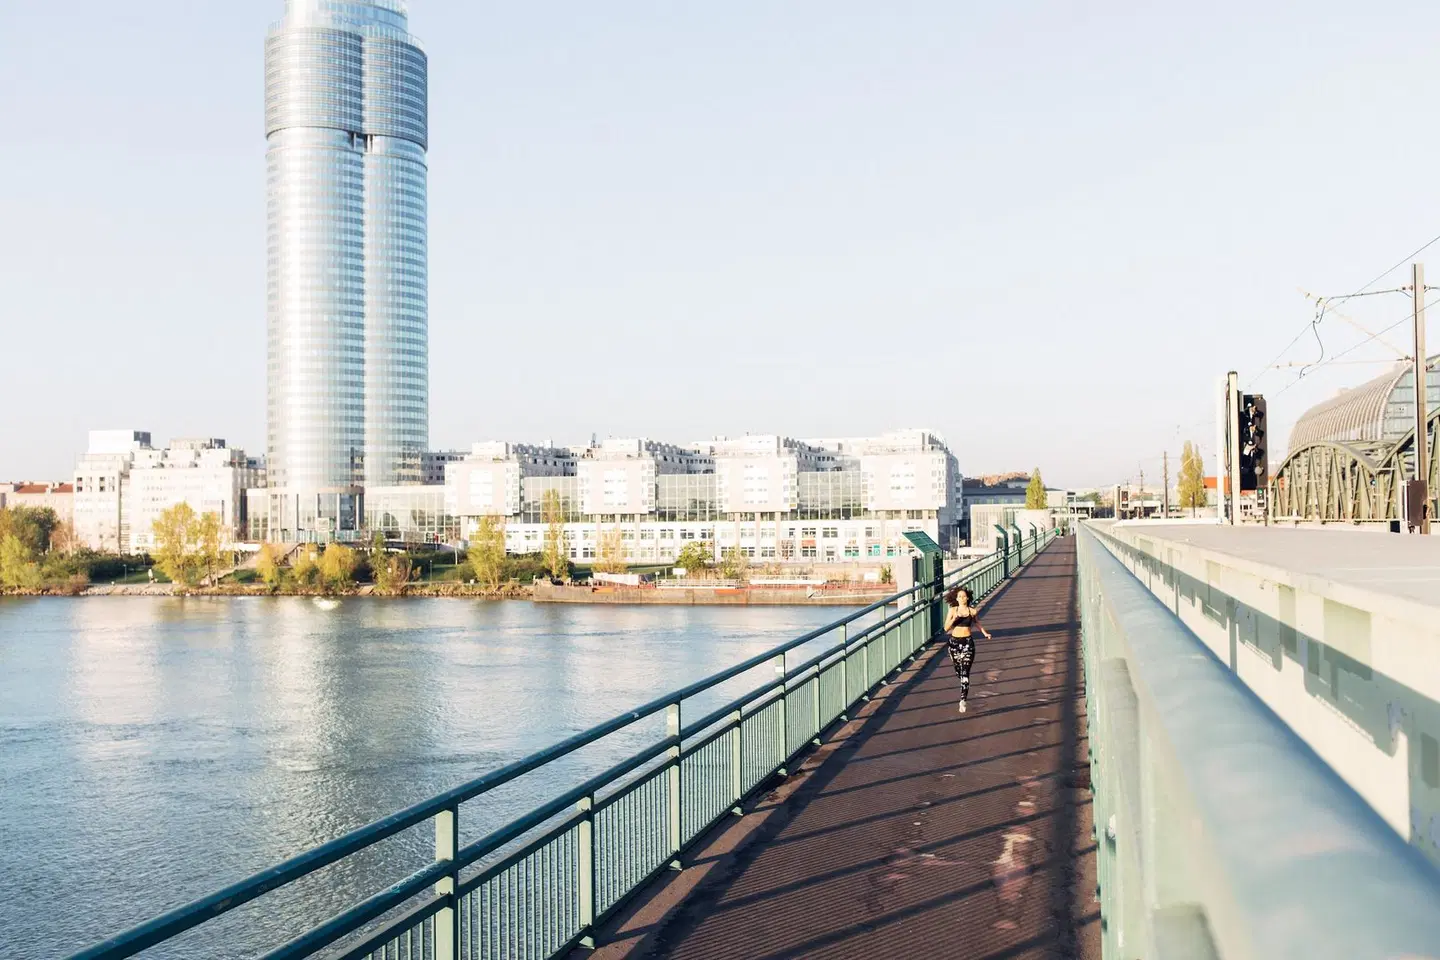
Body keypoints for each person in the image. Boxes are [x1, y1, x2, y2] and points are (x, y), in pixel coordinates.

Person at [943, 586, 992, 713]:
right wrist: (955, 619)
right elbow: (946, 628)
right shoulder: (953, 610)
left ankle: (963, 700)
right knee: (958, 671)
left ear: (968, 598)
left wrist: (985, 633)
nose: (962, 598)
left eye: (964, 596)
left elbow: (977, 623)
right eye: (959, 596)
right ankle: (963, 683)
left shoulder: (972, 611)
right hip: (954, 643)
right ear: (956, 599)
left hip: (967, 643)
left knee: (965, 673)